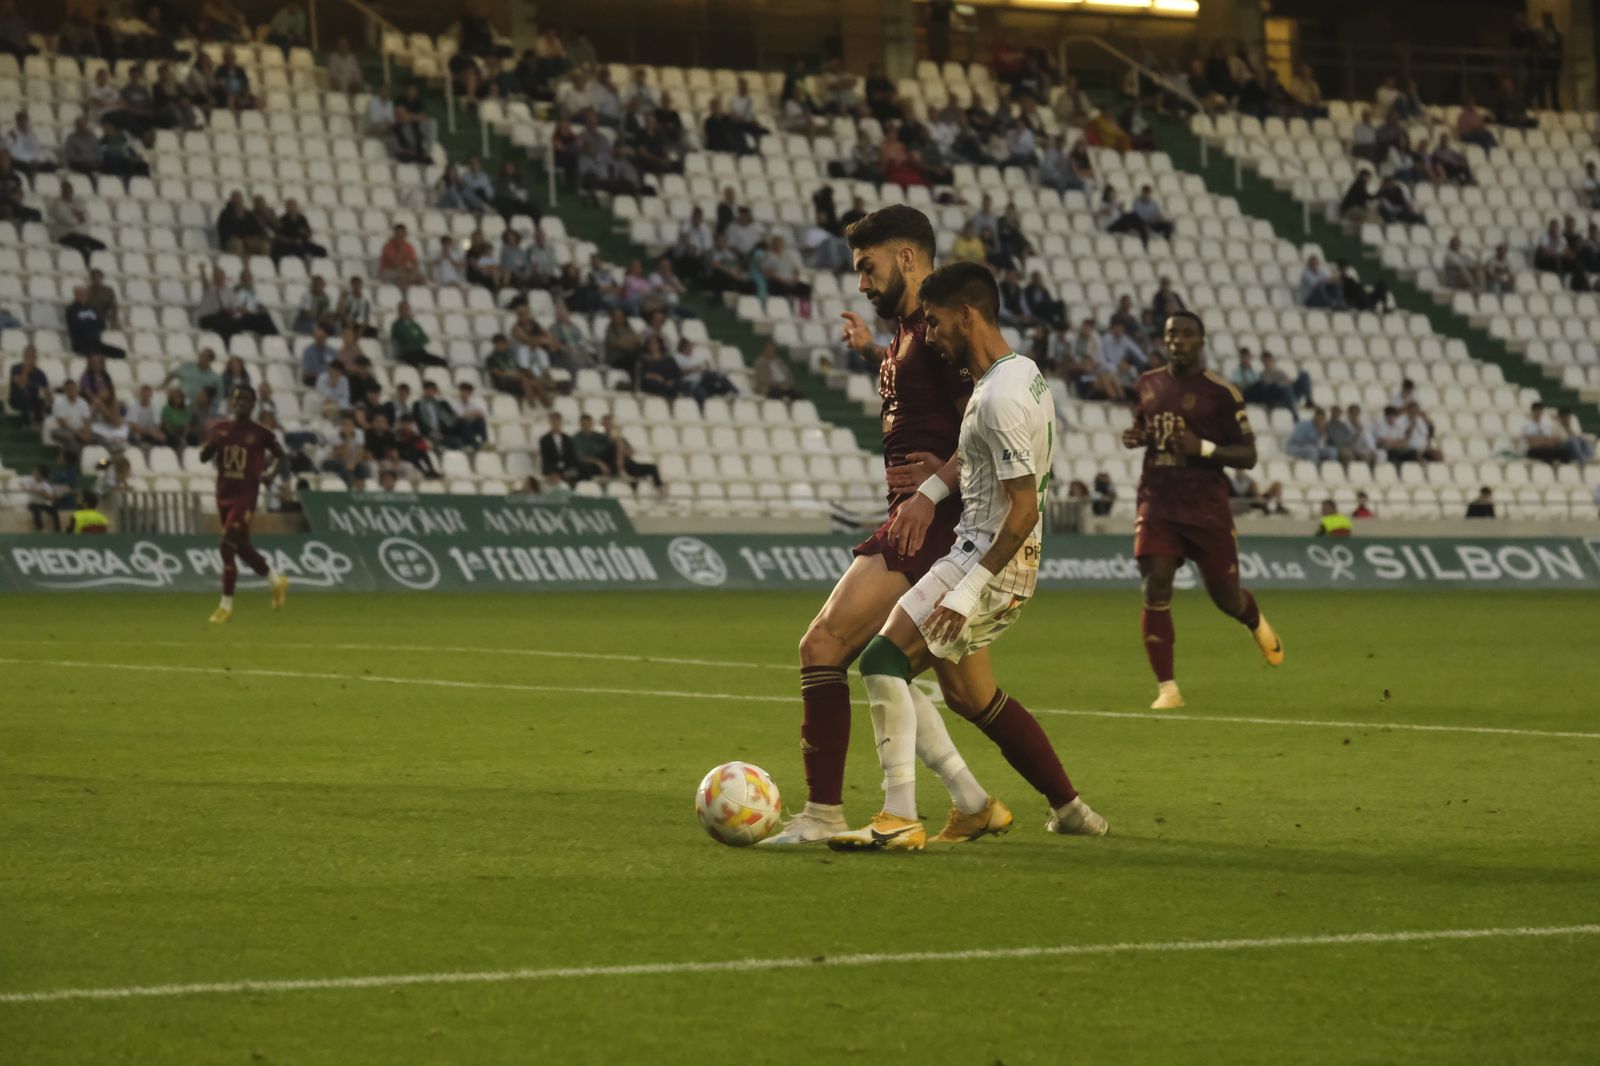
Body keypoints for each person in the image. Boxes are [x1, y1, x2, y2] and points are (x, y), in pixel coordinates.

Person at [765, 206, 1069, 848]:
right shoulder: (911, 333)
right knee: (971, 696)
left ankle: (824, 815)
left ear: (906, 258)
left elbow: (976, 427)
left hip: (934, 527)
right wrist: (872, 353)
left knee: (823, 646)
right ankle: (1058, 805)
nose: (861, 283)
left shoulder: (943, 333)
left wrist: (933, 491)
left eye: (867, 268)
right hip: (929, 522)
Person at [828, 260, 1107, 851]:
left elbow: (1024, 510)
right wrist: (927, 497)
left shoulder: (1001, 397)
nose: (928, 335)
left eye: (934, 322)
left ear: (967, 314)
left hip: (991, 560)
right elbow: (969, 452)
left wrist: (964, 590)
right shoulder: (1016, 373)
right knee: (964, 695)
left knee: (881, 662)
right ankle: (1062, 809)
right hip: (977, 550)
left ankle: (900, 816)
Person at [1122, 310, 1284, 711]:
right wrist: (1138, 435)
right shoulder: (1147, 384)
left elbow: (1248, 456)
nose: (1177, 341)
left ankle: (1253, 620)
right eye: (1171, 334)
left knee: (1226, 597)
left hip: (1206, 509)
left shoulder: (1222, 394)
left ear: (1201, 340)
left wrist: (1204, 448)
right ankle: (1168, 688)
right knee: (1155, 587)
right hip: (1157, 501)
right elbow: (1147, 426)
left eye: (1187, 334)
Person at [200, 385, 288, 623]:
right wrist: (211, 445)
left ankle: (225, 607)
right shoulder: (220, 429)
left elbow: (282, 455)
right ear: (230, 401)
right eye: (238, 399)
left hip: (245, 497)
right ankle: (276, 581)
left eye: (247, 400)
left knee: (227, 545)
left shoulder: (260, 433)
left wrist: (270, 474)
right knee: (243, 548)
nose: (242, 403)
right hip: (223, 495)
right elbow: (203, 457)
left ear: (253, 404)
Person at [64, 286, 124, 359]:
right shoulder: (72, 310)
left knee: (120, 353)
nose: (82, 296)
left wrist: (89, 324)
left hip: (95, 342)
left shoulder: (92, 309)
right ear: (75, 295)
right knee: (95, 354)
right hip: (81, 344)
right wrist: (91, 325)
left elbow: (101, 324)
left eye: (84, 294)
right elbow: (75, 325)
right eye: (79, 294)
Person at [390, 302, 446, 369]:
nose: (407, 311)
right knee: (416, 365)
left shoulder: (414, 324)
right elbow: (405, 339)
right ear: (400, 311)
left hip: (420, 352)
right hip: (407, 353)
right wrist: (416, 339)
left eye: (407, 309)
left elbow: (424, 338)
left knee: (442, 362)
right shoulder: (397, 325)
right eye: (404, 309)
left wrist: (414, 340)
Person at [9, 345, 50, 427]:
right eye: (28, 356)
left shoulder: (40, 373)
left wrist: (48, 399)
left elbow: (46, 391)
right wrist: (26, 370)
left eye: (32, 356)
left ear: (36, 357)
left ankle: (39, 420)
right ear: (24, 356)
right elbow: (21, 384)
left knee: (42, 396)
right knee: (24, 392)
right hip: (17, 398)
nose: (30, 359)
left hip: (34, 399)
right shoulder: (16, 368)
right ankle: (26, 423)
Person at [538, 411, 580, 484]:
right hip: (552, 469)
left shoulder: (567, 439)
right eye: (553, 421)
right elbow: (546, 458)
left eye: (557, 420)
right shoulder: (544, 440)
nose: (556, 423)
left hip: (567, 468)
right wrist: (553, 472)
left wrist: (568, 470)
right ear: (550, 422)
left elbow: (572, 456)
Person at [24, 463, 62, 532]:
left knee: (54, 510)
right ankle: (39, 528)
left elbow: (50, 497)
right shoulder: (29, 481)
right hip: (32, 503)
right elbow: (22, 485)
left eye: (35, 472)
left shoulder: (46, 485)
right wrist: (31, 489)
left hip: (42, 504)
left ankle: (57, 529)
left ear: (41, 475)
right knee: (36, 510)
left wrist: (42, 494)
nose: (33, 473)